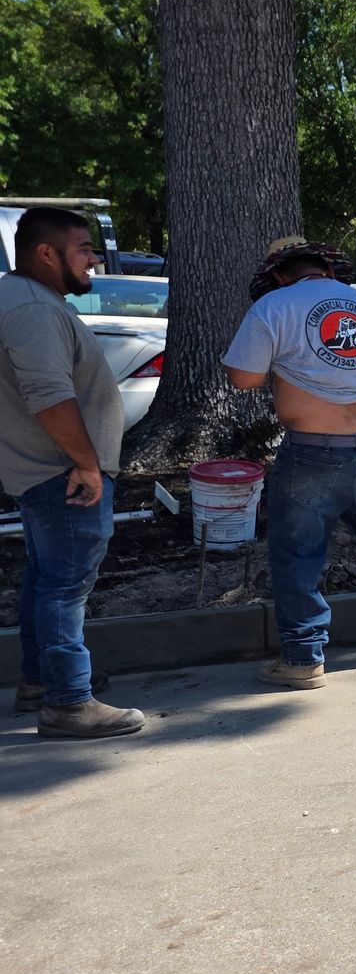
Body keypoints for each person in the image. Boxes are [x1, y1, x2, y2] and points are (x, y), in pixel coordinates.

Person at [224, 238, 356, 688]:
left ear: (279, 274)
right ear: (326, 267)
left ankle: (304, 659)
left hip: (311, 453)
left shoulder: (274, 307)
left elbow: (243, 378)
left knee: (298, 553)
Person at [0, 207, 144, 737]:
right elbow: (49, 395)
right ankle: (67, 703)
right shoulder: (33, 309)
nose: (94, 260)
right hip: (61, 474)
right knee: (65, 587)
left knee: (46, 579)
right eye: (84, 248)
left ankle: (41, 680)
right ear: (46, 252)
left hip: (45, 472)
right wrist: (86, 462)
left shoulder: (25, 300)